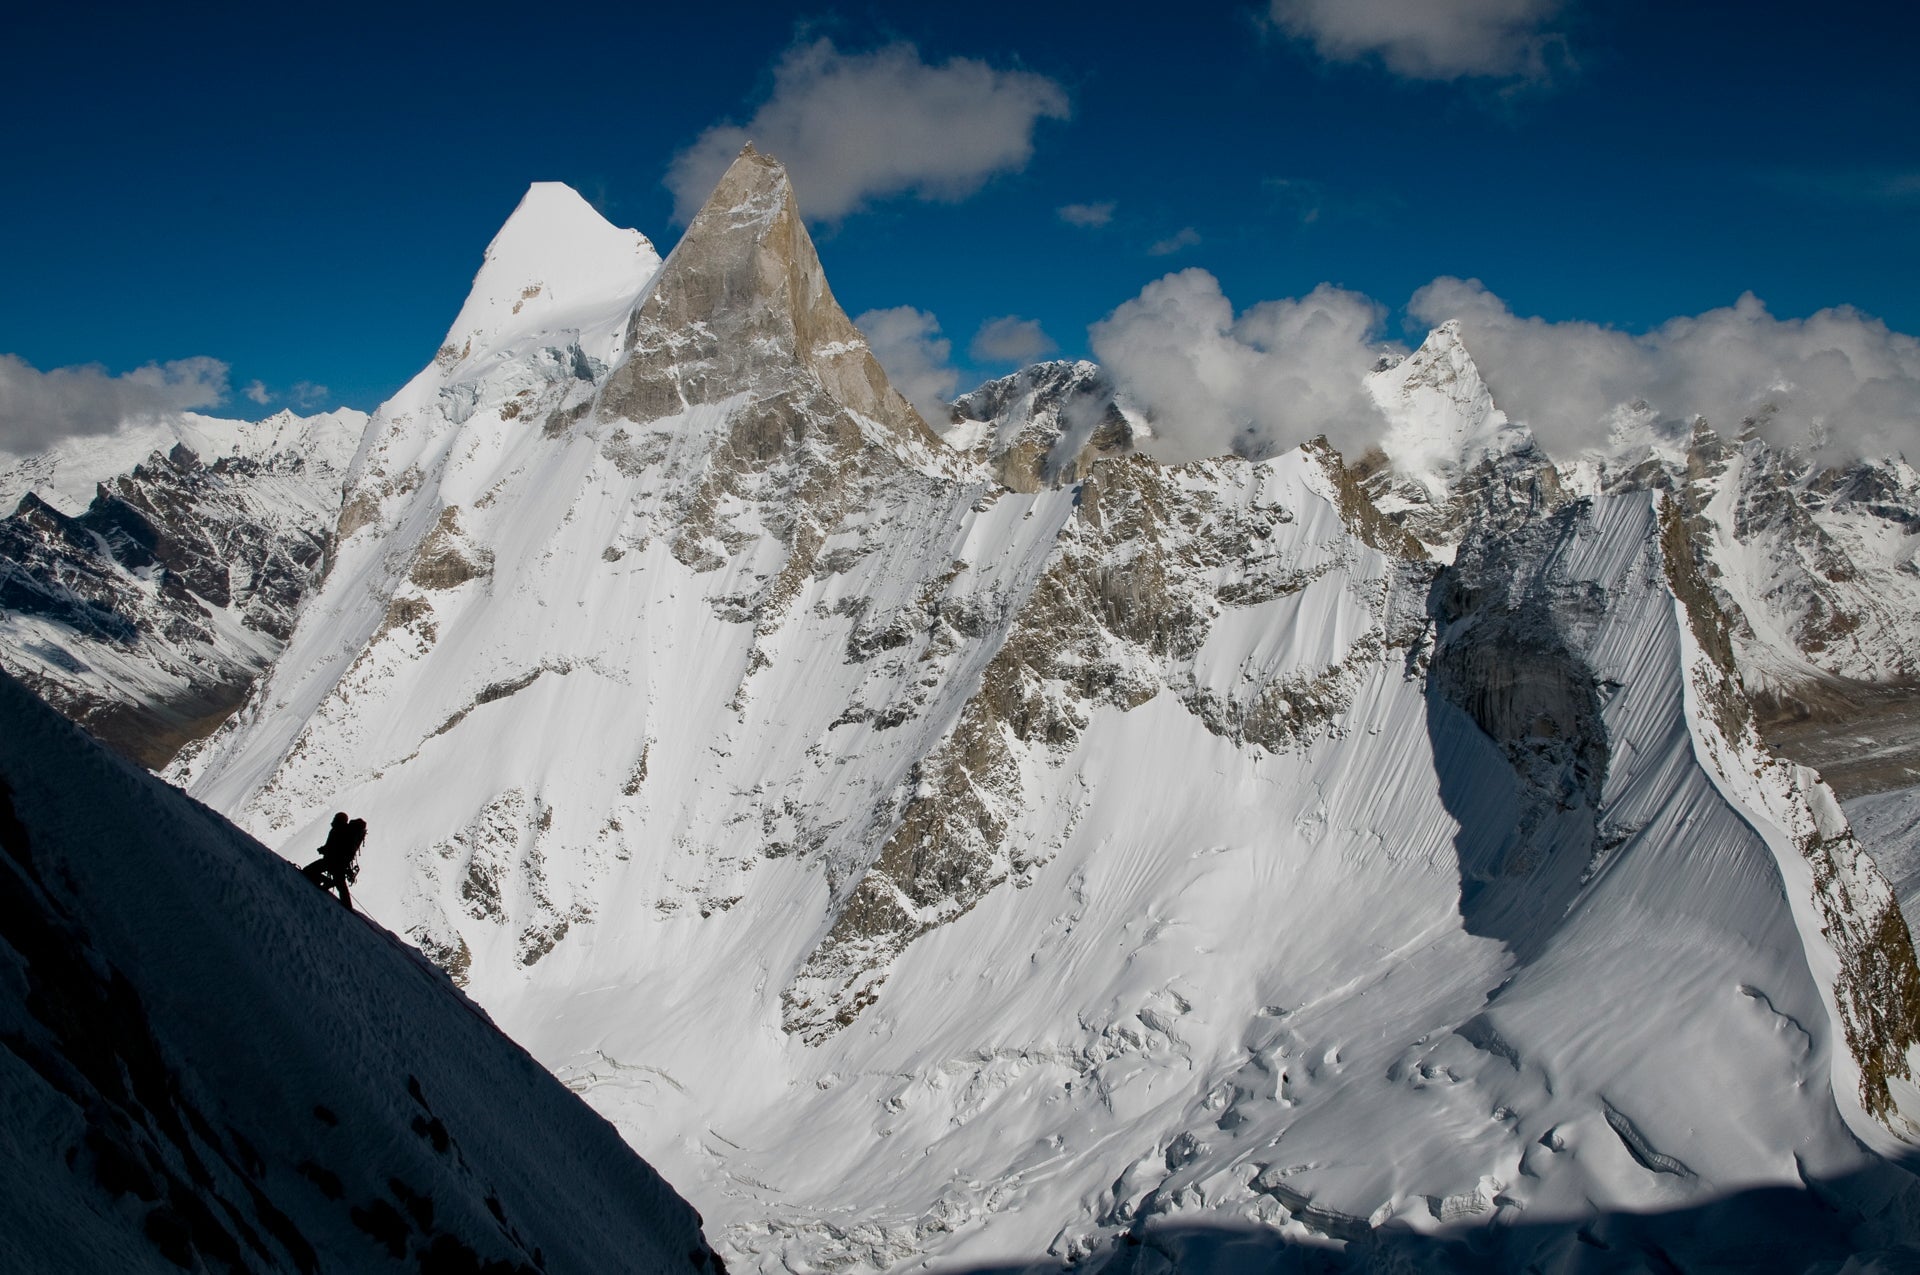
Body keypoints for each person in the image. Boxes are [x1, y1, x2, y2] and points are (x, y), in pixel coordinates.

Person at [302, 812, 367, 910]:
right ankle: (348, 907)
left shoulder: (337, 830)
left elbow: (332, 846)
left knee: (308, 870)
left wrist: (322, 850)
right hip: (341, 864)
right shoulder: (347, 831)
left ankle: (328, 882)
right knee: (341, 886)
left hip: (330, 861)